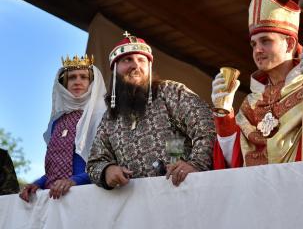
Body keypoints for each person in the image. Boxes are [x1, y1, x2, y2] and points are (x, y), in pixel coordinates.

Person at [211, 0, 303, 168]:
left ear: (289, 43)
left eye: (266, 41)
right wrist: (224, 112)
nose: (257, 50)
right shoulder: (251, 103)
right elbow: (233, 162)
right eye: (254, 44)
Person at [86, 32, 215, 188]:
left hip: (183, 191)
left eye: (142, 60)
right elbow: (94, 163)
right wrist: (107, 170)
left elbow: (207, 125)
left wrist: (196, 163)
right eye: (127, 60)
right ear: (114, 69)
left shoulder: (170, 91)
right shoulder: (109, 117)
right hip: (138, 205)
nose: (136, 65)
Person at [19, 55, 106, 202]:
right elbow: (54, 167)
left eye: (83, 77)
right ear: (64, 83)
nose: (77, 81)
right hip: (55, 197)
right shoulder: (57, 122)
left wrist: (74, 180)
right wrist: (37, 184)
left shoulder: (101, 116)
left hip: (88, 195)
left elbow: (106, 160)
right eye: (72, 77)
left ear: (92, 82)